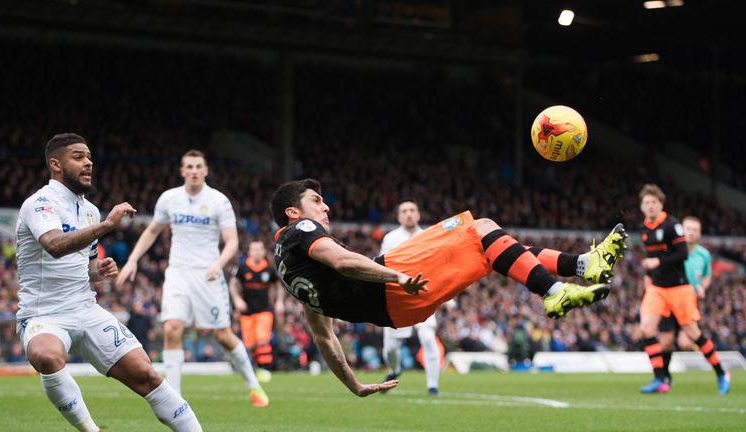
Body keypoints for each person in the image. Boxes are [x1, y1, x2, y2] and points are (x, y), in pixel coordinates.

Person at [269, 178, 626, 396]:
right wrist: (398, 277)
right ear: (293, 213)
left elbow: (323, 337)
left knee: (489, 249)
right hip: (395, 281)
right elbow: (343, 261)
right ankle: (554, 291)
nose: (326, 205)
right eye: (316, 200)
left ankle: (582, 265)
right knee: (481, 228)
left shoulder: (287, 267)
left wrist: (355, 386)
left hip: (396, 310)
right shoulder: (301, 231)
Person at [16, 133, 202, 431]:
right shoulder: (39, 203)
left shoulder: (89, 210)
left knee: (148, 376)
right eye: (78, 157)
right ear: (56, 164)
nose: (88, 162)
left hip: (85, 310)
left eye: (89, 156)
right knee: (47, 356)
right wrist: (107, 226)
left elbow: (81, 265)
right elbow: (54, 245)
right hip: (44, 314)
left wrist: (97, 272)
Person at [116, 149, 269, 407]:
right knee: (172, 328)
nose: (195, 170)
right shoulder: (169, 198)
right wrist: (132, 260)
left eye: (199, 166)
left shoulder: (219, 201)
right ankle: (174, 398)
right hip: (177, 272)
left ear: (206, 170)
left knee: (222, 335)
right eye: (190, 166)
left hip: (208, 275)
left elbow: (232, 241)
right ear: (182, 170)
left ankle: (253, 385)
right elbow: (153, 230)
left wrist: (218, 264)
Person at [637, 184, 729, 395]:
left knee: (693, 335)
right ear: (642, 206)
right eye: (646, 203)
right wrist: (649, 274)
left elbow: (682, 255)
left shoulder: (672, 225)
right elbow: (654, 262)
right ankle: (660, 379)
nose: (650, 206)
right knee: (646, 330)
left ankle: (721, 372)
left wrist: (656, 262)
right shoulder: (644, 229)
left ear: (661, 204)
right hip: (657, 288)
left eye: (654, 202)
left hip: (679, 288)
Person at [378, 200, 442, 396]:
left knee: (428, 337)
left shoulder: (428, 236)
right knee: (391, 348)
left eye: (412, 210)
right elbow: (382, 266)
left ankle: (432, 385)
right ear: (398, 216)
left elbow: (437, 266)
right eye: (404, 211)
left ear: (419, 214)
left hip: (424, 295)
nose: (408, 214)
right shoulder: (390, 238)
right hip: (398, 296)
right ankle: (394, 369)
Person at [656, 215, 714, 385]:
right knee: (665, 342)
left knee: (685, 342)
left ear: (700, 234)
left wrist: (703, 286)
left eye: (695, 230)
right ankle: (665, 376)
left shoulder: (704, 255)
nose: (691, 233)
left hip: (688, 301)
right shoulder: (671, 250)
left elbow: (706, 276)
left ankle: (717, 368)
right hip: (669, 298)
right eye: (688, 229)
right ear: (682, 230)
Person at [231, 240, 284, 371]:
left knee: (262, 339)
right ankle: (255, 368)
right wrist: (237, 299)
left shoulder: (269, 269)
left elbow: (279, 286)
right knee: (250, 344)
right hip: (247, 312)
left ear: (264, 251)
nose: (257, 252)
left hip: (264, 310)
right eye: (254, 249)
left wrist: (279, 302)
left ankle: (264, 368)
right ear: (249, 251)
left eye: (260, 249)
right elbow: (232, 284)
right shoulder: (242, 268)